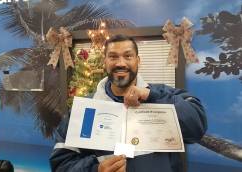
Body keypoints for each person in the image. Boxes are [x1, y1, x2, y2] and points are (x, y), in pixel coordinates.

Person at [50, 34, 207, 172]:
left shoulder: (162, 94)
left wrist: (151, 95)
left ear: (138, 61)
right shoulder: (85, 109)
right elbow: (61, 163)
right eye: (113, 57)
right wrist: (95, 169)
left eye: (128, 56)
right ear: (104, 62)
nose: (121, 63)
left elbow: (196, 127)